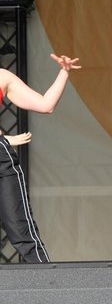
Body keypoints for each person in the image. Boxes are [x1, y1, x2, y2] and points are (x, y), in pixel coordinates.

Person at [0, 53, 81, 263]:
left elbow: (46, 105)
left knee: (21, 230)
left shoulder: (2, 77)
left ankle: (47, 281)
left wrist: (65, 71)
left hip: (1, 158)